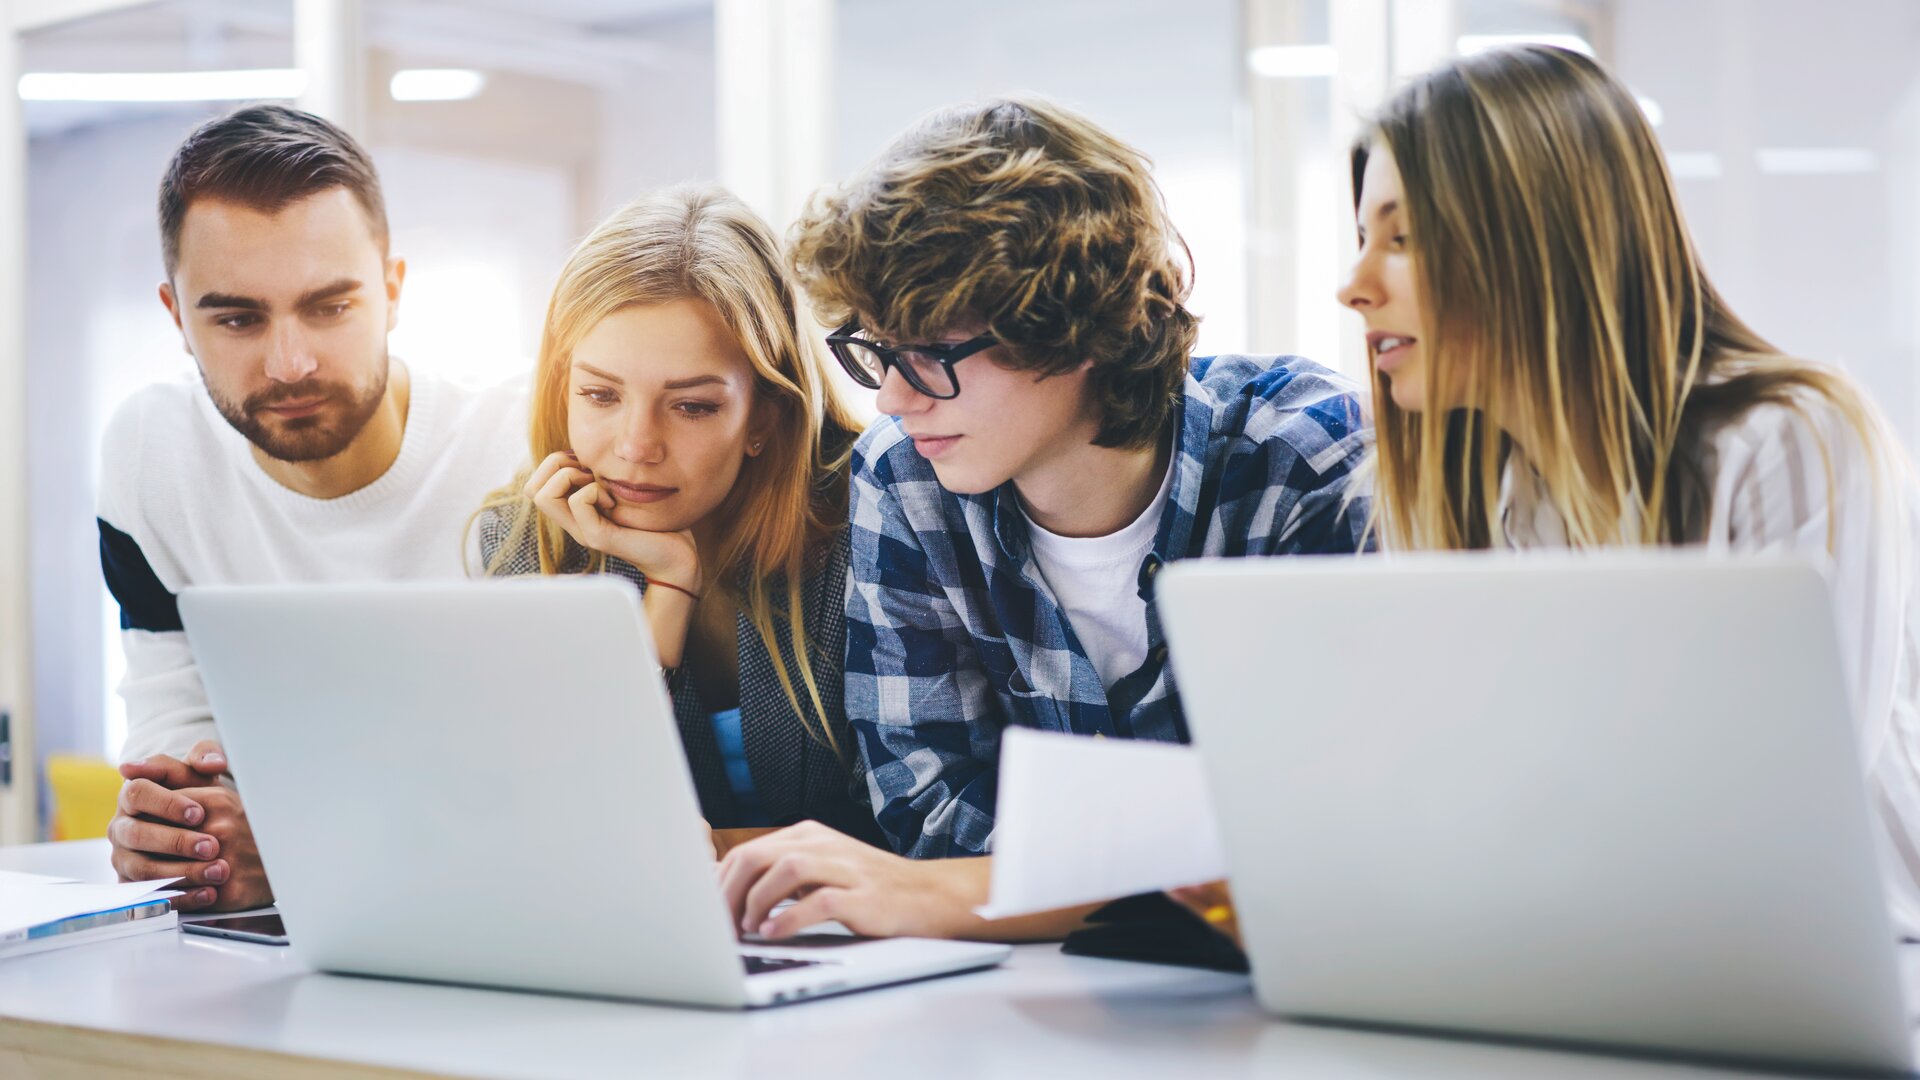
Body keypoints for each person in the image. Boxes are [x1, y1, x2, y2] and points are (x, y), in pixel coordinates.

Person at [1178, 43, 1920, 946]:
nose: (1355, 286)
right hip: (1582, 953)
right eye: (1362, 238)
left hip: (1833, 961)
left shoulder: (1789, 439)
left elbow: (1777, 812)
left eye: (1403, 239)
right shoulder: (1466, 492)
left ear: (1538, 242)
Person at [716, 96, 1371, 941]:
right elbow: (929, 815)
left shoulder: (1303, 458)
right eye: (878, 348)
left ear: (1076, 325)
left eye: (930, 352)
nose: (892, 395)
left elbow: (1326, 842)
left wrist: (985, 890)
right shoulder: (904, 479)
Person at [100, 105, 527, 911]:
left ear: (393, 291)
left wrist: (309, 841)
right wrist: (181, 826)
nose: (290, 364)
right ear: (175, 318)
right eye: (236, 318)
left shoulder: (524, 441)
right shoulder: (148, 453)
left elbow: (561, 779)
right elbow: (171, 716)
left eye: (330, 308)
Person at [473, 185, 880, 847]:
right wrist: (666, 593)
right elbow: (554, 819)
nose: (636, 447)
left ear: (764, 417)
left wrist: (700, 851)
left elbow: (908, 827)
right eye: (600, 395)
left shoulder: (869, 528)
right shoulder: (528, 541)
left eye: (691, 406)